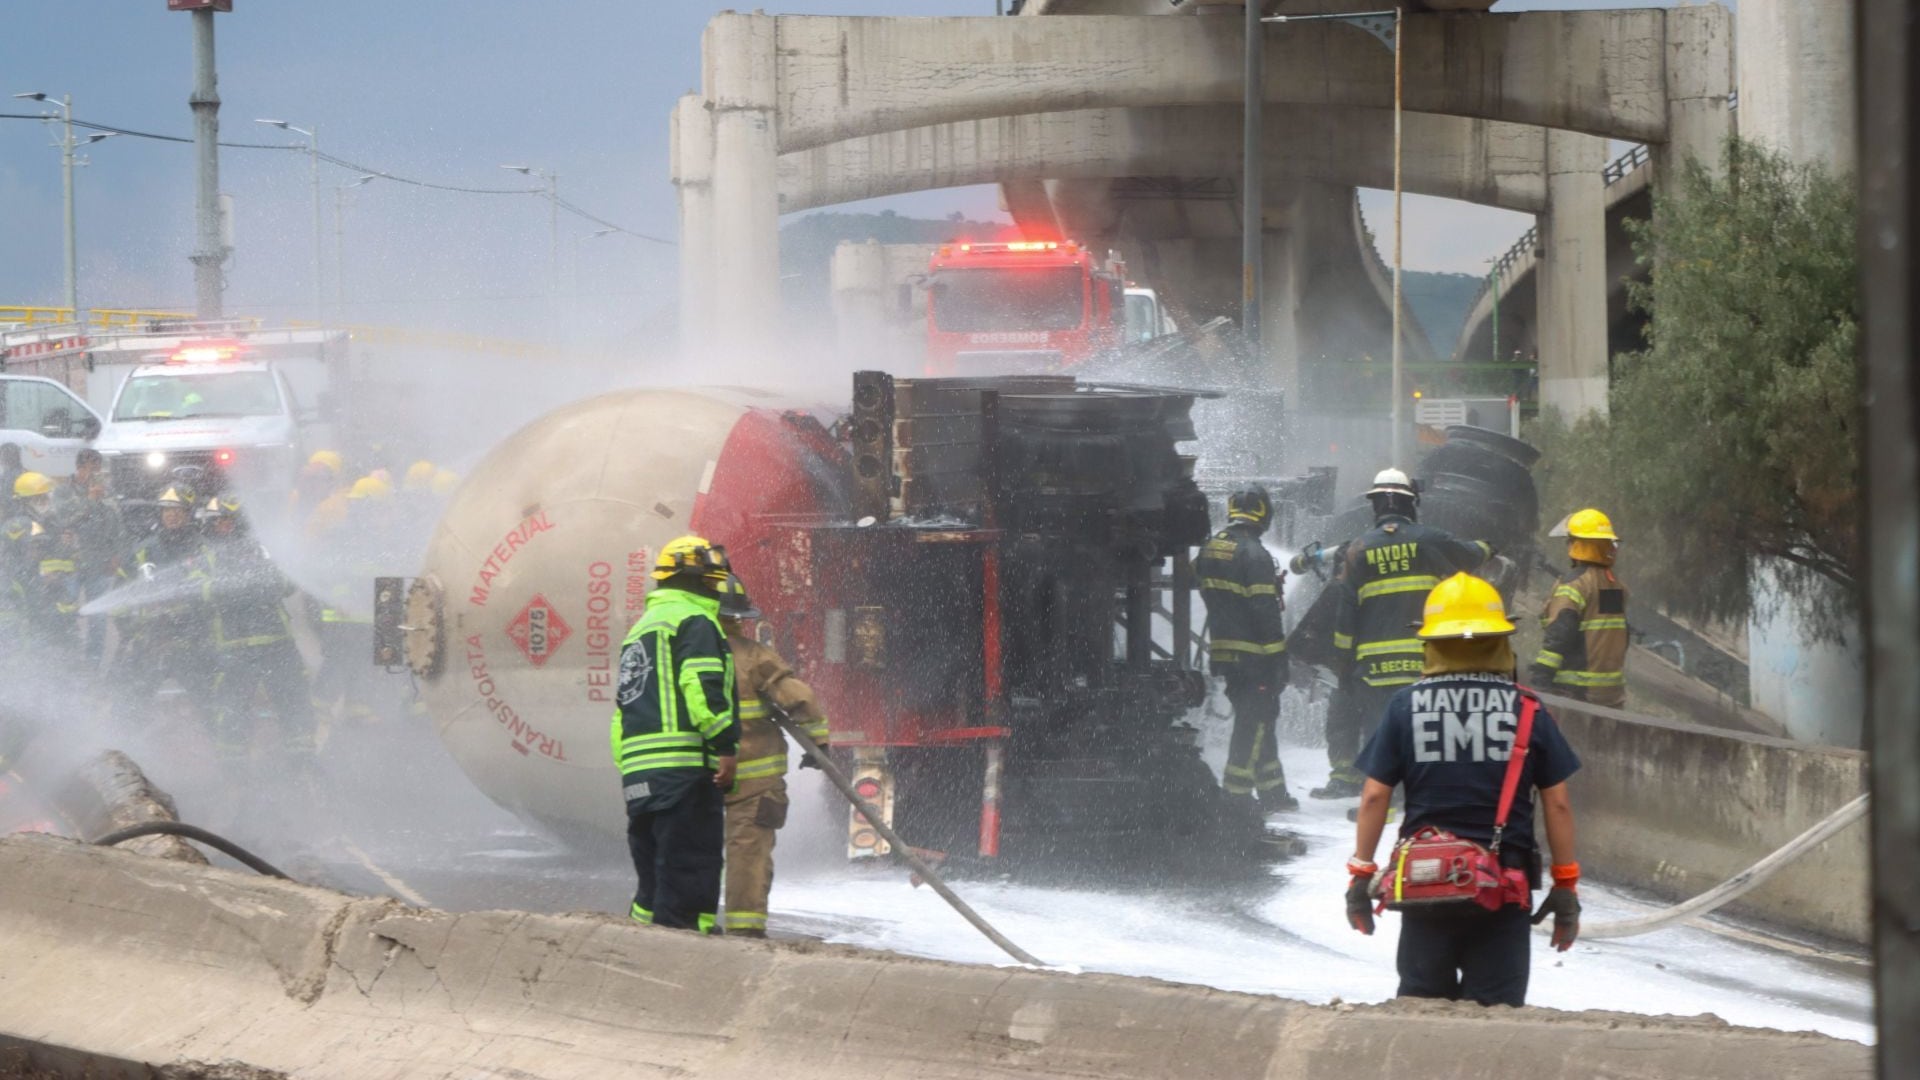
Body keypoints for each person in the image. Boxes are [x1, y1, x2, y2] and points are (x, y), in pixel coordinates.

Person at [1345, 573, 1583, 1008]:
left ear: (1430, 643)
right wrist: (1565, 886)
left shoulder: (1405, 705)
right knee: (1494, 1017)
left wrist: (1361, 876)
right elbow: (1559, 804)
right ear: (1500, 642)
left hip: (1424, 884)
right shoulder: (1528, 708)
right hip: (1504, 886)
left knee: (1421, 1008)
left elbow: (1375, 797)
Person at [1317, 468, 1494, 799]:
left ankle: (1378, 805)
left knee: (1379, 735)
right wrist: (1489, 545)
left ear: (1376, 506)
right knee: (1421, 731)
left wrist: (1342, 663)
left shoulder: (1358, 550)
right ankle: (1415, 801)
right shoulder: (1429, 540)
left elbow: (1345, 616)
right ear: (1411, 503)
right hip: (1421, 662)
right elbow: (1470, 554)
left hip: (1372, 669)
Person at [612, 535, 739, 933]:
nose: (716, 590)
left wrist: (633, 769)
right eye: (712, 581)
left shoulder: (640, 630)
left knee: (652, 885)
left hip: (640, 779)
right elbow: (701, 686)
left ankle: (635, 958)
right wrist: (725, 746)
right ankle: (684, 967)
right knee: (689, 875)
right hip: (685, 773)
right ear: (695, 579)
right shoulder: (694, 621)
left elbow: (623, 711)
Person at [715, 573, 830, 938]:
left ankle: (688, 923)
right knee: (748, 855)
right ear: (739, 616)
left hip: (698, 775)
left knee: (695, 851)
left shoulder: (680, 654)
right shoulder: (754, 657)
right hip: (754, 782)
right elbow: (800, 699)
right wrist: (818, 744)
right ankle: (745, 931)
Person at [1197, 485, 1296, 814]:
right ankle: (1236, 794)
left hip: (1225, 652)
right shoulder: (1254, 554)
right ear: (1263, 513)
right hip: (1255, 655)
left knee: (1258, 718)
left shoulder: (1212, 548)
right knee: (1254, 722)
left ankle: (1273, 791)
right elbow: (1264, 611)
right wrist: (1277, 657)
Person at [199, 496, 315, 765]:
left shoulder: (264, 550)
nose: (221, 526)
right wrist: (234, 588)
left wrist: (253, 584)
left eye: (226, 520)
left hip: (276, 640)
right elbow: (201, 590)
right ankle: (233, 763)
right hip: (233, 644)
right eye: (217, 521)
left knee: (292, 697)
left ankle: (302, 759)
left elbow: (287, 583)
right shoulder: (206, 555)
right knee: (232, 708)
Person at [1530, 509, 1629, 708]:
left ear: (1576, 544)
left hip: (1575, 691)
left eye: (1570, 540)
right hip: (1610, 696)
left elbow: (1559, 635)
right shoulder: (1612, 585)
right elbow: (1607, 633)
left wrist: (1541, 676)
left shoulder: (1574, 585)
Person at [55, 449, 128, 662]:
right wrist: (89, 500)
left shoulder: (107, 493)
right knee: (65, 610)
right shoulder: (62, 492)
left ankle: (92, 662)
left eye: (99, 470)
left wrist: (117, 554)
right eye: (91, 469)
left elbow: (118, 525)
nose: (96, 475)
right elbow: (63, 521)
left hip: (100, 562)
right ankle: (66, 656)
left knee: (99, 616)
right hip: (70, 563)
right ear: (79, 468)